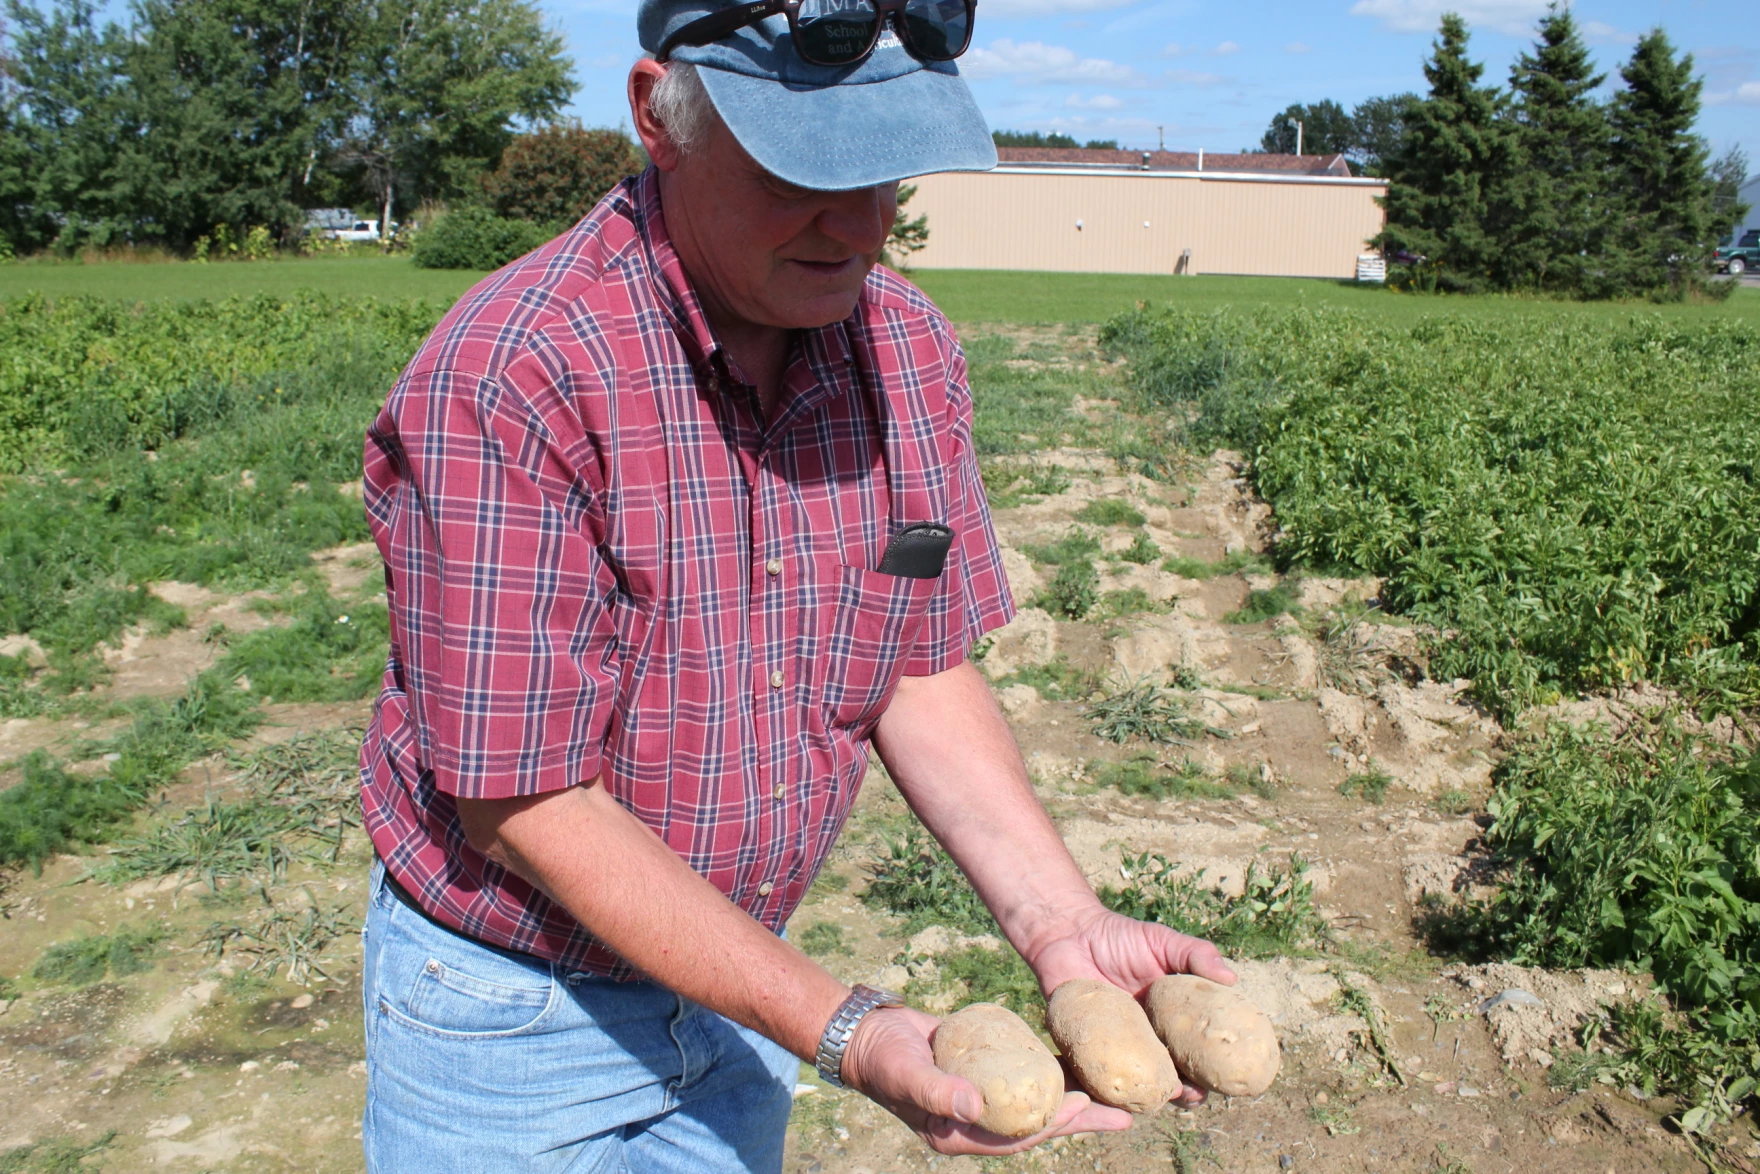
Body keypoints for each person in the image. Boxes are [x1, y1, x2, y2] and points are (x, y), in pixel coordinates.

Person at [355, 1, 1237, 1169]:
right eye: (802, 168)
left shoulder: (906, 352)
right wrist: (847, 1032)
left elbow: (912, 662)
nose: (858, 224)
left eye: (886, 171)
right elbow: (523, 800)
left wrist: (1060, 923)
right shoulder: (518, 377)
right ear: (657, 117)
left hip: (741, 988)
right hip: (518, 1020)